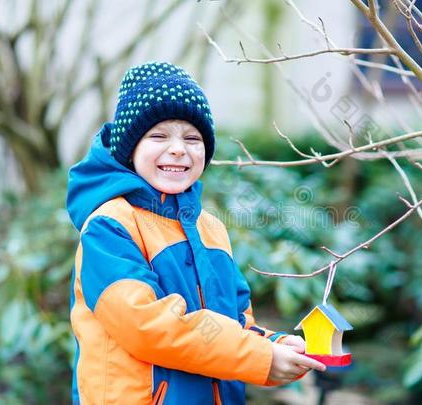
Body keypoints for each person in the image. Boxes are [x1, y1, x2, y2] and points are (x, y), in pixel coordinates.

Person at [66, 61, 325, 404]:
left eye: (192, 138)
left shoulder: (210, 229)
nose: (178, 149)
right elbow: (148, 326)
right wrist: (257, 358)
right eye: (158, 136)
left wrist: (272, 345)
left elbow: (235, 322)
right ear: (130, 150)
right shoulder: (109, 227)